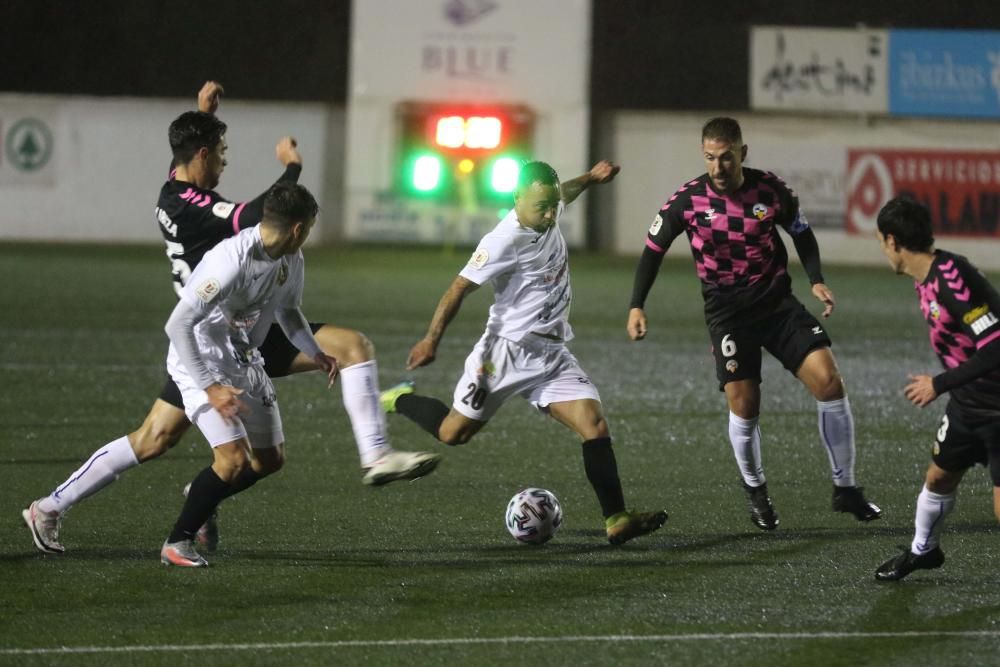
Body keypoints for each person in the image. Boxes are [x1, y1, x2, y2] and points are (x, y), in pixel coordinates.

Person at [21, 83, 438, 557]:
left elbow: (201, 170)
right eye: (219, 152)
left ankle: (69, 506)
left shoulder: (176, 189)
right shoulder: (196, 210)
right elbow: (264, 215)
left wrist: (203, 115)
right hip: (209, 337)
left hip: (245, 326)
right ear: (200, 155)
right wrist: (293, 168)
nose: (224, 162)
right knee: (164, 440)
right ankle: (59, 507)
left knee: (164, 439)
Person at [380, 160, 668, 545]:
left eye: (551, 206)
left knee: (594, 425)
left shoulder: (548, 207)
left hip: (551, 355)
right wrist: (431, 339)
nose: (550, 214)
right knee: (453, 433)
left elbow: (563, 193)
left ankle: (616, 518)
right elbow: (458, 289)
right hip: (503, 356)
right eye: (541, 207)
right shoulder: (503, 240)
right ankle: (400, 398)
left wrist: (591, 179)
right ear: (517, 199)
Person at [626, 116, 880, 531]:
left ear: (743, 153)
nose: (718, 167)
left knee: (829, 382)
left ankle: (846, 487)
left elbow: (802, 233)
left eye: (726, 158)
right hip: (728, 314)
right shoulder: (686, 202)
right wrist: (637, 304)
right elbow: (653, 250)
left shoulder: (771, 190)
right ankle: (756, 490)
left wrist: (816, 280)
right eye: (710, 158)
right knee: (744, 405)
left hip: (777, 305)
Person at [161, 181, 328, 567]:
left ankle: (203, 494)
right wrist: (211, 387)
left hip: (243, 357)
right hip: (201, 360)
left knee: (270, 460)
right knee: (233, 460)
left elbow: (288, 312)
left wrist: (316, 352)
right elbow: (178, 325)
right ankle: (177, 543)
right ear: (299, 228)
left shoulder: (291, 258)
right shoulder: (230, 260)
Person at [873, 196, 1000, 581]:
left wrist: (938, 384)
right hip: (968, 403)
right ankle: (923, 551)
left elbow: (996, 345)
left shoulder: (951, 278)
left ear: (892, 241)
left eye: (881, 241)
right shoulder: (926, 277)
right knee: (938, 477)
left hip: (998, 407)